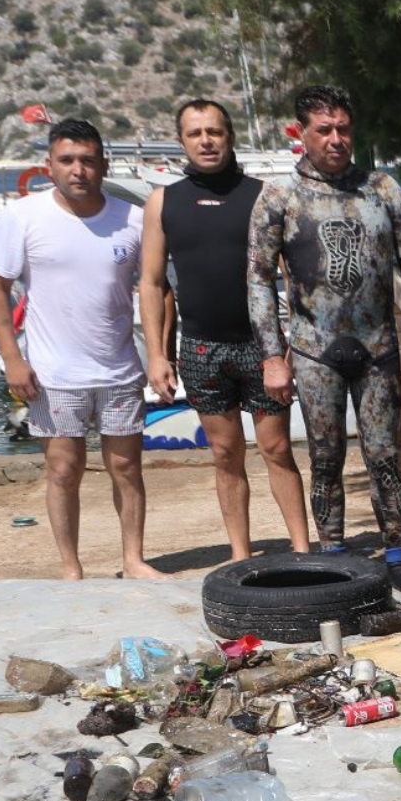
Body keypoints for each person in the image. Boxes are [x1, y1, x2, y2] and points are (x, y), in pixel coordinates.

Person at [246, 85, 401, 593]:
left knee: (383, 454)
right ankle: (332, 553)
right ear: (302, 133)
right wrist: (272, 355)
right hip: (314, 350)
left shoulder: (382, 189)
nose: (335, 139)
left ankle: (397, 554)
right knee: (325, 457)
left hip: (377, 347)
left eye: (343, 129)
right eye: (324, 130)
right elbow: (258, 278)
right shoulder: (279, 197)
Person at [0, 119, 167, 581]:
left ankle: (133, 560)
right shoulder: (22, 217)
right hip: (52, 373)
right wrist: (12, 359)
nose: (77, 170)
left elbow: (157, 287)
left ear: (103, 164)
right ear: (49, 165)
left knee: (126, 467)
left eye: (87, 160)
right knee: (64, 469)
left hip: (120, 368)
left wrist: (162, 352)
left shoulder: (131, 218)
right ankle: (71, 568)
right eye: (67, 160)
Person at [139, 99, 312, 563]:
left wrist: (292, 342)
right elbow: (152, 282)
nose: (206, 140)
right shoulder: (163, 202)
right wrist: (157, 354)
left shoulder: (262, 196)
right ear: (182, 141)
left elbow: (292, 276)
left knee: (277, 448)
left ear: (229, 136)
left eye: (214, 131)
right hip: (200, 347)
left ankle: (301, 548)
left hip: (261, 346)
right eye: (195, 133)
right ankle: (240, 555)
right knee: (224, 453)